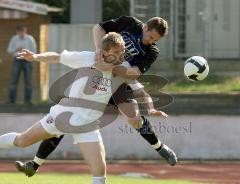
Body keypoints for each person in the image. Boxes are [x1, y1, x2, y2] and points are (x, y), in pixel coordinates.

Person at [15, 16, 177, 177]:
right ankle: (34, 164)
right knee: (67, 117)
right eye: (150, 37)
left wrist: (109, 66)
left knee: (134, 118)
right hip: (96, 75)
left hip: (120, 81)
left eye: (155, 40)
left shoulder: (152, 51)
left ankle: (159, 147)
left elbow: (134, 73)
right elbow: (98, 28)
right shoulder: (130, 23)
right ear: (146, 27)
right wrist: (100, 51)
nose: (150, 41)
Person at [7, 25, 37, 104]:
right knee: (14, 80)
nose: (21, 33)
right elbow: (9, 50)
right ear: (17, 31)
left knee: (28, 81)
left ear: (25, 30)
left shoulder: (30, 39)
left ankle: (28, 101)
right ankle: (11, 101)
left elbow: (34, 50)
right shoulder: (14, 39)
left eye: (23, 31)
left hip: (27, 60)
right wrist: (16, 49)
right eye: (20, 31)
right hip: (17, 59)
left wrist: (27, 52)